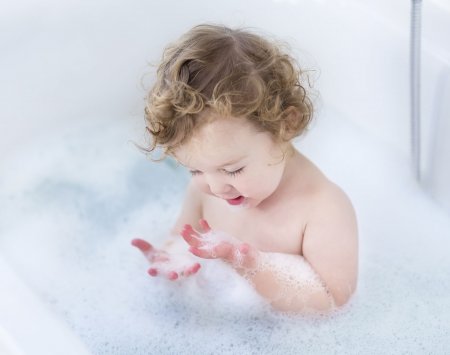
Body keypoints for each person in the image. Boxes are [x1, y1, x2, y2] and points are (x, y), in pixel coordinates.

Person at [131, 24, 358, 313]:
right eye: (194, 171)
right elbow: (179, 237)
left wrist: (250, 266)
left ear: (285, 125)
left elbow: (332, 303)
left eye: (233, 170)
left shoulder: (323, 208)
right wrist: (173, 258)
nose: (214, 188)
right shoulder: (208, 188)